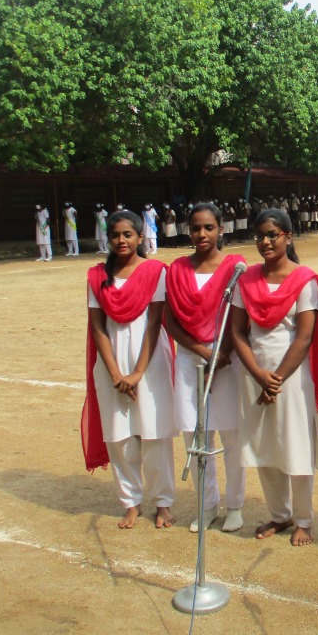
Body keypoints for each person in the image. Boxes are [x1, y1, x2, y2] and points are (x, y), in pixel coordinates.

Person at [230, 208, 318, 546]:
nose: (265, 241)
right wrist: (258, 375)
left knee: (295, 444)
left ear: (288, 237)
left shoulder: (305, 280)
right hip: (254, 374)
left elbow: (304, 337)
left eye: (272, 234)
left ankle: (304, 520)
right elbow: (238, 332)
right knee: (264, 444)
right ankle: (280, 514)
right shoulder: (246, 280)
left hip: (292, 378)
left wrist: (277, 379)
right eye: (260, 235)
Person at [80, 209, 177, 530]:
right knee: (119, 437)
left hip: (150, 363)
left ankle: (163, 502)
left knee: (154, 434)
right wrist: (115, 374)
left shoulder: (155, 272)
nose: (121, 240)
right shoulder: (97, 277)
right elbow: (98, 328)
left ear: (140, 237)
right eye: (115, 235)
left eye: (128, 234)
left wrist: (136, 374)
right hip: (111, 365)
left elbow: (154, 323)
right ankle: (131, 503)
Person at [164, 203, 247, 534]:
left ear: (220, 230)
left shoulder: (235, 268)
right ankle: (207, 505)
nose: (202, 234)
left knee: (232, 436)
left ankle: (236, 505)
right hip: (190, 358)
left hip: (227, 358)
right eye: (196, 228)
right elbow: (170, 320)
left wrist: (220, 353)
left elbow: (240, 316)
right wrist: (200, 351)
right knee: (196, 435)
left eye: (209, 227)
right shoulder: (176, 269)